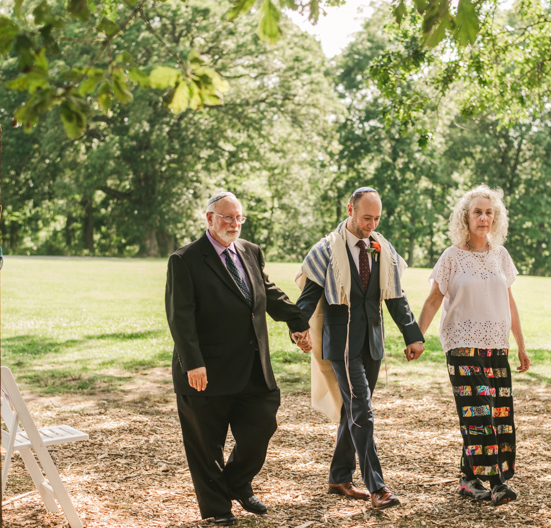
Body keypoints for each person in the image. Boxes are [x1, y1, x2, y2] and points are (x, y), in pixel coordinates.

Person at [165, 192, 311, 526]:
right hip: (205, 370)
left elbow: (266, 292)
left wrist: (297, 321)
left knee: (262, 425)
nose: (234, 224)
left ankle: (235, 482)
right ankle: (217, 508)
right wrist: (193, 362)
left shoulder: (250, 251)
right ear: (209, 218)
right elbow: (180, 316)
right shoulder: (185, 259)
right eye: (227, 217)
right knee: (206, 446)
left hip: (253, 367)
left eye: (238, 218)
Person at [294, 187, 425, 509]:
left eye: (377, 218)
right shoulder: (326, 250)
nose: (371, 224)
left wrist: (412, 334)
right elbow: (309, 297)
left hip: (373, 343)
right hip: (342, 345)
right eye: (366, 217)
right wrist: (297, 328)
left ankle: (339, 477)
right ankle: (378, 487)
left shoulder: (383, 249)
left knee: (353, 411)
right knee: (362, 410)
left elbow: (395, 296)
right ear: (350, 209)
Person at [417, 184, 530, 506]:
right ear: (465, 218)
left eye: (489, 212)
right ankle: (496, 483)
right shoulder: (452, 257)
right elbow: (433, 300)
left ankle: (468, 479)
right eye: (477, 212)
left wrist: (520, 345)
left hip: (496, 348)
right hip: (461, 346)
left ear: (495, 219)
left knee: (496, 414)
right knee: (480, 415)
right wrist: (417, 336)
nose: (483, 217)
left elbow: (509, 303)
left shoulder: (501, 256)